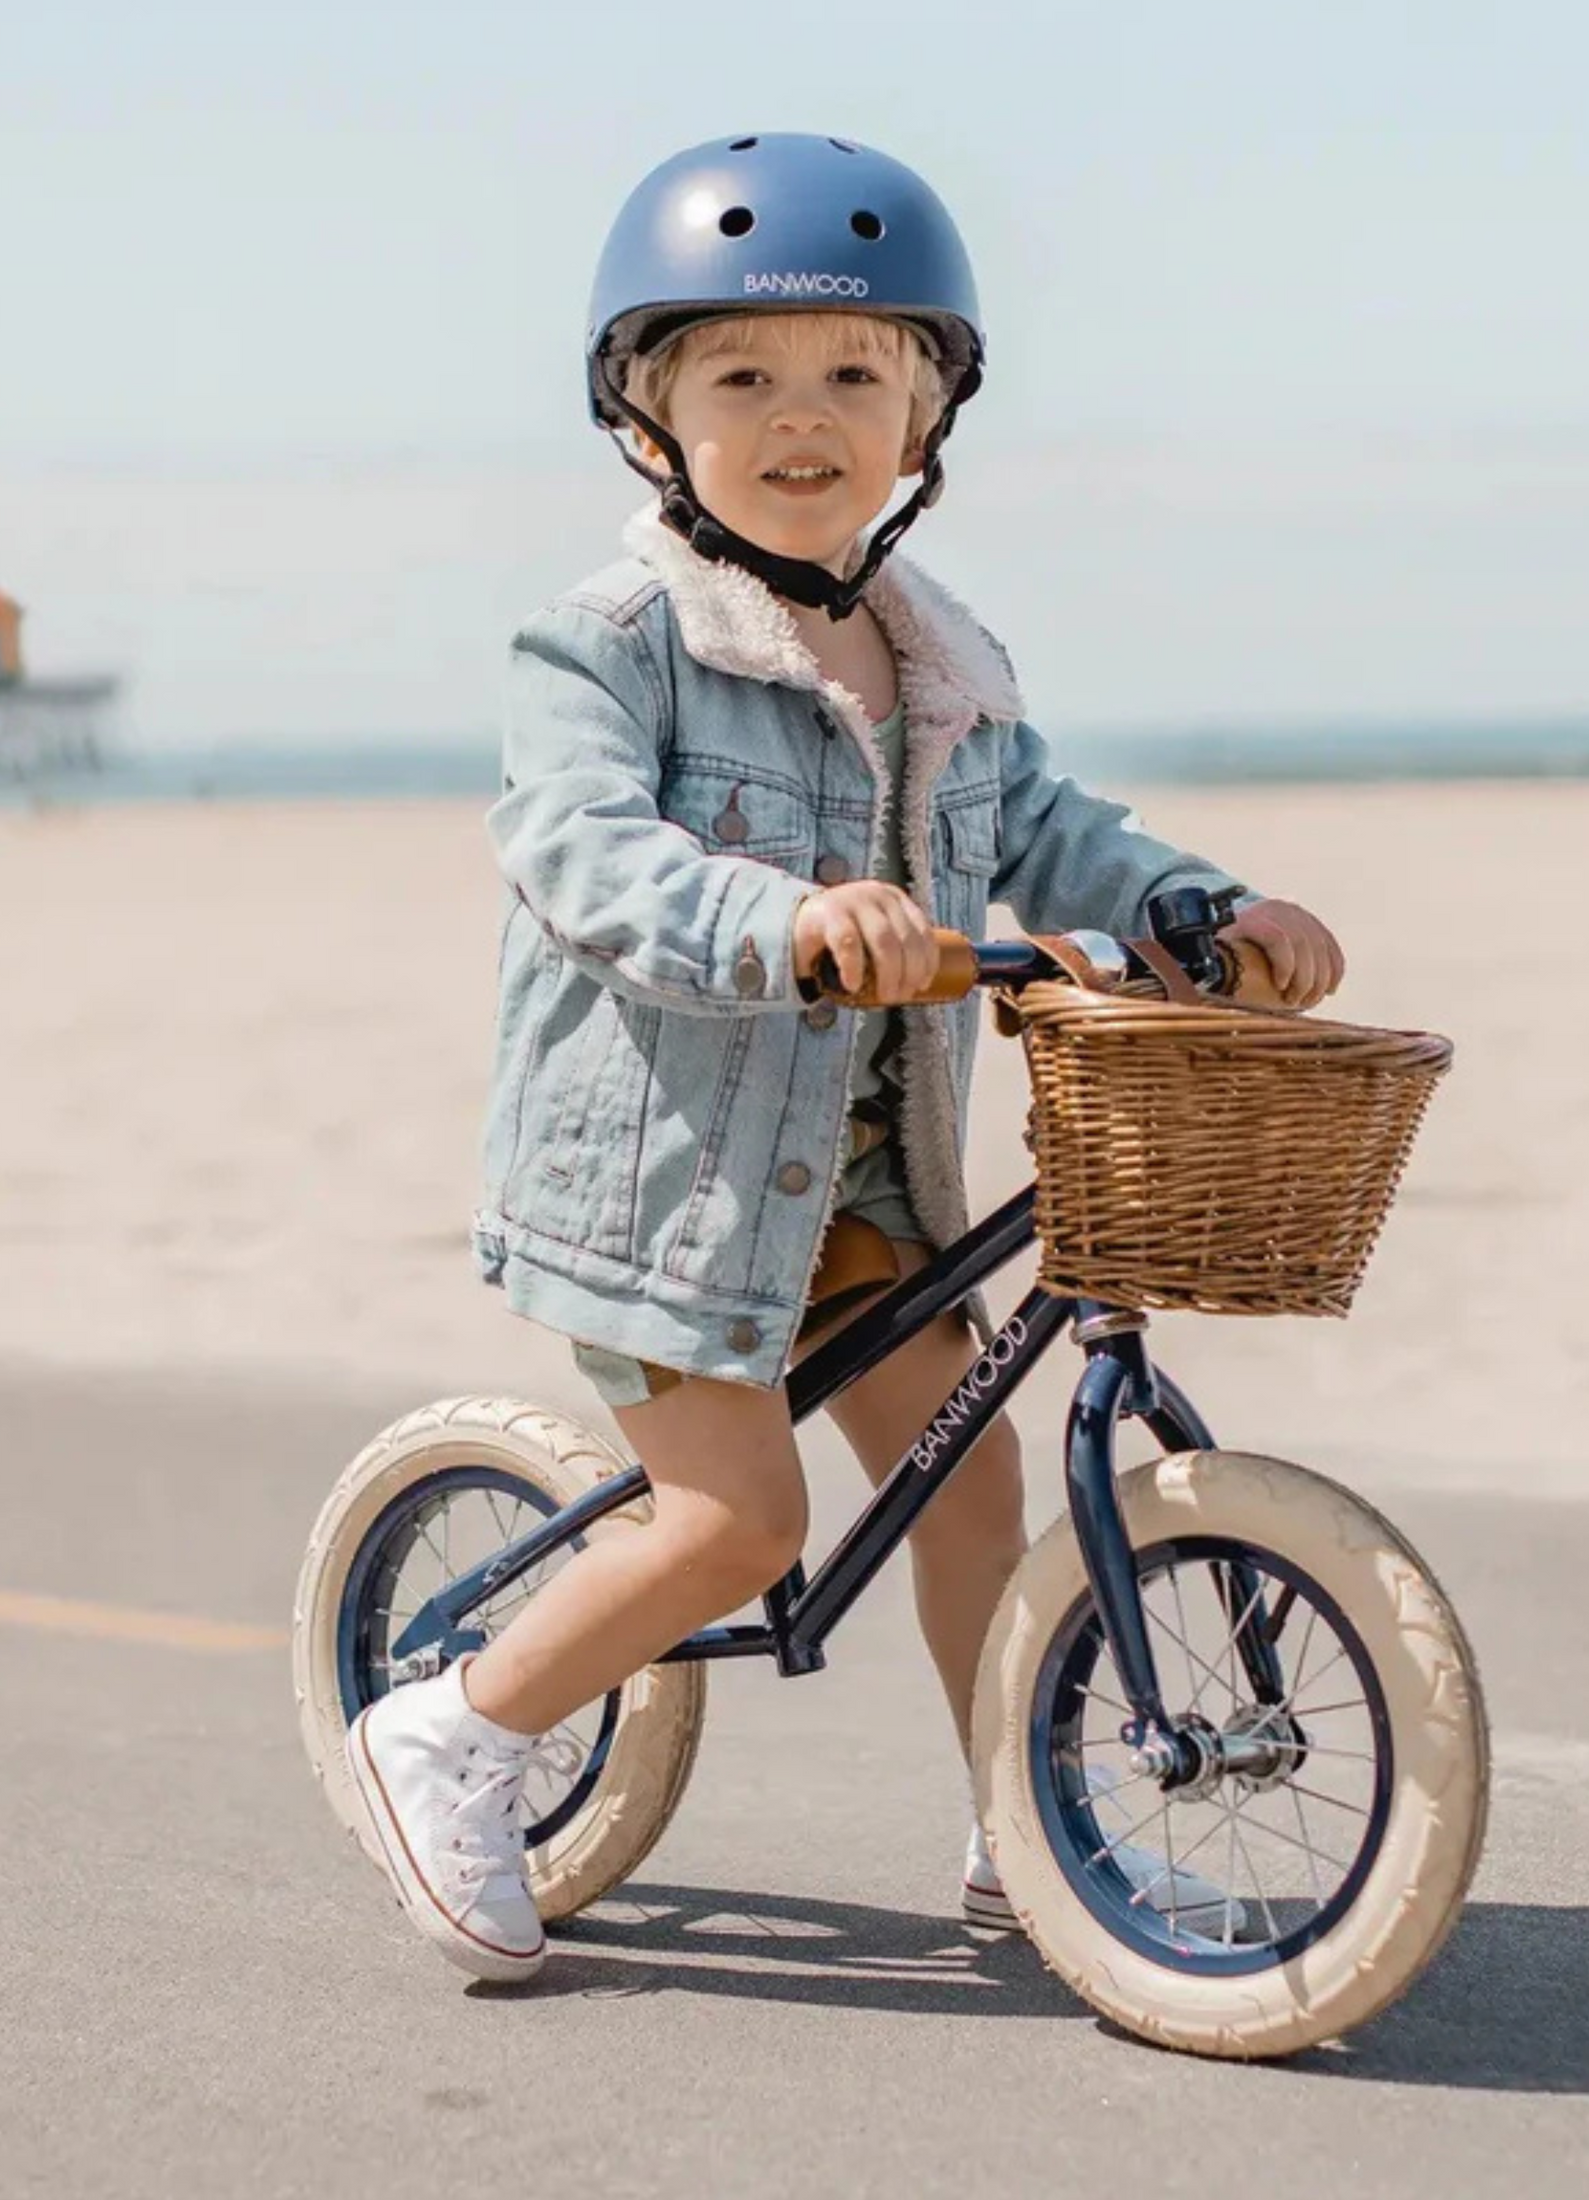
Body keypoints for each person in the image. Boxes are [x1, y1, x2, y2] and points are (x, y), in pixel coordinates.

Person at [347, 133, 1346, 1982]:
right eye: (742, 377)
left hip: (876, 1182)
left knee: (975, 1491)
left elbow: (1060, 835)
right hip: (667, 1184)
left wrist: (1212, 904)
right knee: (739, 1520)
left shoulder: (943, 666)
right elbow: (579, 849)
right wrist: (777, 915)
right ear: (650, 419)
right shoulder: (608, 644)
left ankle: (1023, 1826)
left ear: (924, 417)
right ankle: (452, 1732)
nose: (802, 419)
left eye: (855, 377)